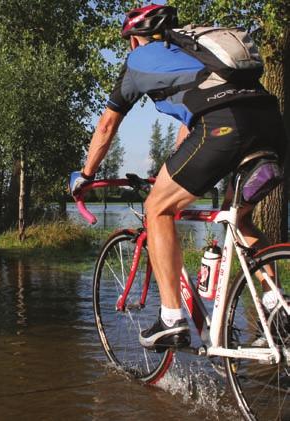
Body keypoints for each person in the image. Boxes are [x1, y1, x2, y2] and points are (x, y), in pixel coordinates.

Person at [69, 4, 287, 350]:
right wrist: (171, 169)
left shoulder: (138, 62)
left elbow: (107, 125)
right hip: (271, 124)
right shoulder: (196, 52)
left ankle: (171, 319)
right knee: (239, 217)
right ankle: (278, 307)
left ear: (134, 40)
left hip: (223, 126)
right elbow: (191, 124)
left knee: (157, 209)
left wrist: (85, 175)